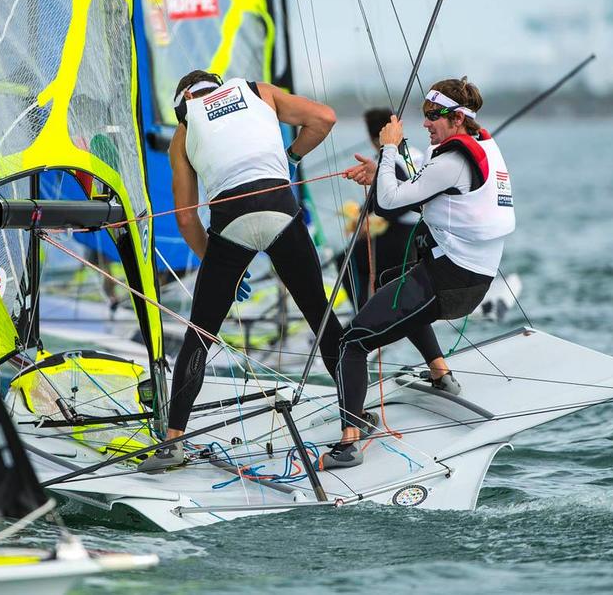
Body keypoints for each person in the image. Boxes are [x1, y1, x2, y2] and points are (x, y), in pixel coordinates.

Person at [141, 70, 368, 470]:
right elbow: (325, 119)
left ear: (184, 100)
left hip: (230, 225)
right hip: (281, 209)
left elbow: (186, 219)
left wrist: (216, 257)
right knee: (321, 317)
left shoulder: (184, 129)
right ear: (219, 82)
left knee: (201, 333)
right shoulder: (258, 91)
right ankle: (352, 433)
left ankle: (172, 443)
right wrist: (290, 158)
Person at [324, 77, 516, 468]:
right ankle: (439, 371)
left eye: (432, 116)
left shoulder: (450, 161)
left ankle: (349, 441)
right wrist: (382, 167)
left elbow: (386, 205)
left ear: (457, 118)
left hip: (451, 281)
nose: (425, 124)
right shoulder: (482, 146)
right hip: (470, 276)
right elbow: (416, 188)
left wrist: (389, 146)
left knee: (351, 343)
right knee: (394, 278)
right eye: (424, 115)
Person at [340, 108, 422, 305]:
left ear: (374, 137)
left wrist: (369, 222)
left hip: (401, 237)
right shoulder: (415, 154)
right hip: (420, 233)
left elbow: (395, 199)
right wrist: (362, 215)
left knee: (347, 262)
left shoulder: (390, 159)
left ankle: (362, 318)